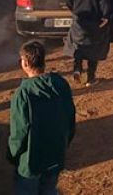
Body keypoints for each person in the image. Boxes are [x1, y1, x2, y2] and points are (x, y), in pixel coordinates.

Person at [8, 41, 76, 194]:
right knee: (49, 189)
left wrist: (12, 155)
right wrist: (65, 142)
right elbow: (70, 117)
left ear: (25, 62)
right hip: (55, 154)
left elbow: (19, 132)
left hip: (30, 161)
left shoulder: (22, 94)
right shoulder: (61, 84)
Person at [63, 0, 111, 86]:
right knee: (93, 49)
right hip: (95, 21)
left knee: (78, 45)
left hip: (79, 20)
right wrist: (106, 16)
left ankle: (77, 68)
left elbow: (68, 0)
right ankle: (90, 78)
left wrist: (75, 12)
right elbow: (105, 1)